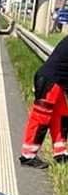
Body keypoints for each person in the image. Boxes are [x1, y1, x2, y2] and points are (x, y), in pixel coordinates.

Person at [19, 33, 68, 168]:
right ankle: (28, 155)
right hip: (50, 81)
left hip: (56, 81)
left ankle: (60, 152)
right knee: (41, 118)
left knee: (61, 117)